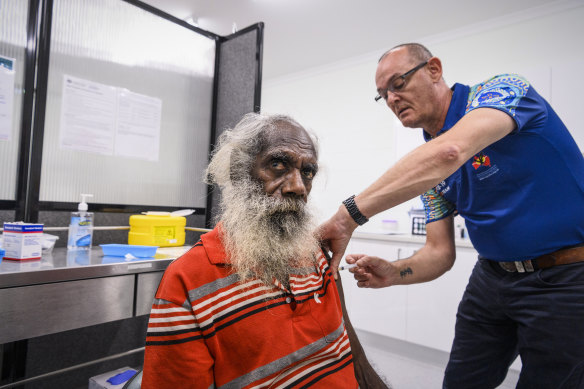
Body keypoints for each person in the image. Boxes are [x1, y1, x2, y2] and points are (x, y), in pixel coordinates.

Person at [319, 43, 584, 388]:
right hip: (492, 280)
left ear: (434, 70)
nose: (391, 99)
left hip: (566, 277)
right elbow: (439, 253)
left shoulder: (503, 92)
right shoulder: (432, 172)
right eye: (382, 95)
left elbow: (450, 151)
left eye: (397, 83)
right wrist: (396, 272)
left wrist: (345, 218)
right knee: (461, 381)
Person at [141, 113, 387, 388]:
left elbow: (347, 342)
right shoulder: (187, 280)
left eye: (307, 172)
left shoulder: (315, 252)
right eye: (278, 164)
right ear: (239, 171)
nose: (297, 187)